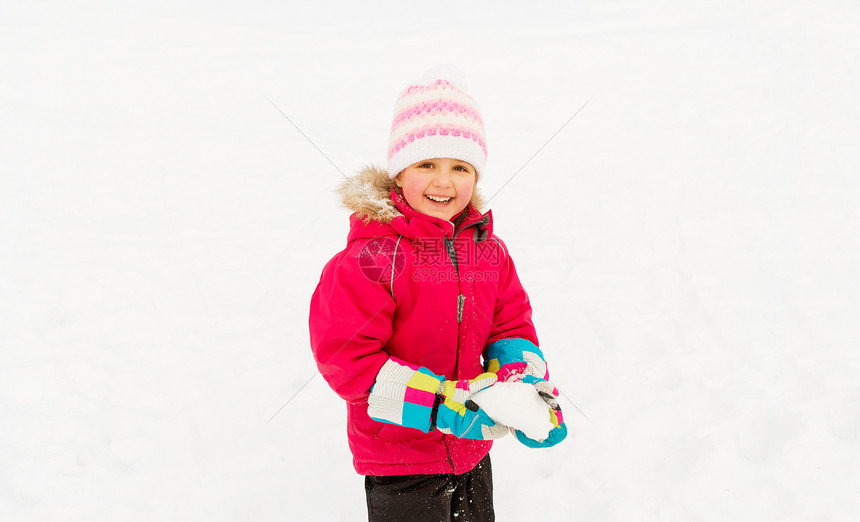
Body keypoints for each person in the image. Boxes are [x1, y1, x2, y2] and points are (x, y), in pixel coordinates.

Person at [309, 65, 567, 522]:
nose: (444, 182)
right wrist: (442, 407)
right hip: (400, 460)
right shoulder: (371, 258)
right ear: (399, 171)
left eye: (460, 167)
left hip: (470, 451)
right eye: (427, 164)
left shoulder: (488, 251)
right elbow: (349, 364)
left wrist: (523, 385)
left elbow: (510, 326)